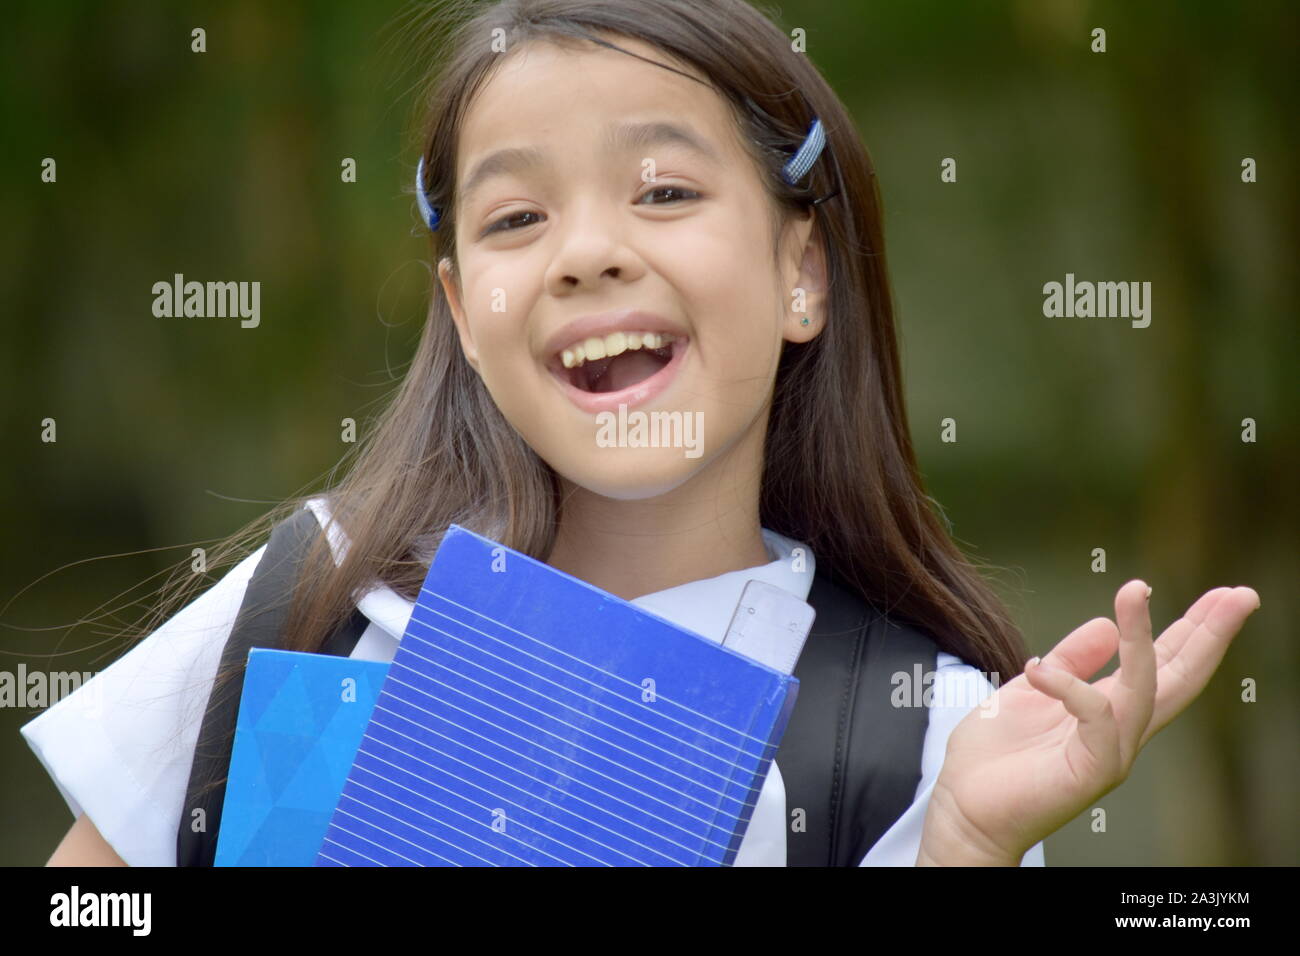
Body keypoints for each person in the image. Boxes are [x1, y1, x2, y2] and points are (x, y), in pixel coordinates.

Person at [22, 0, 1259, 867]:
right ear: (457, 309)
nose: (588, 250)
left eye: (664, 190)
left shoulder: (919, 732)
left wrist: (968, 849)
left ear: (801, 272)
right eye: (513, 218)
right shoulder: (323, 589)